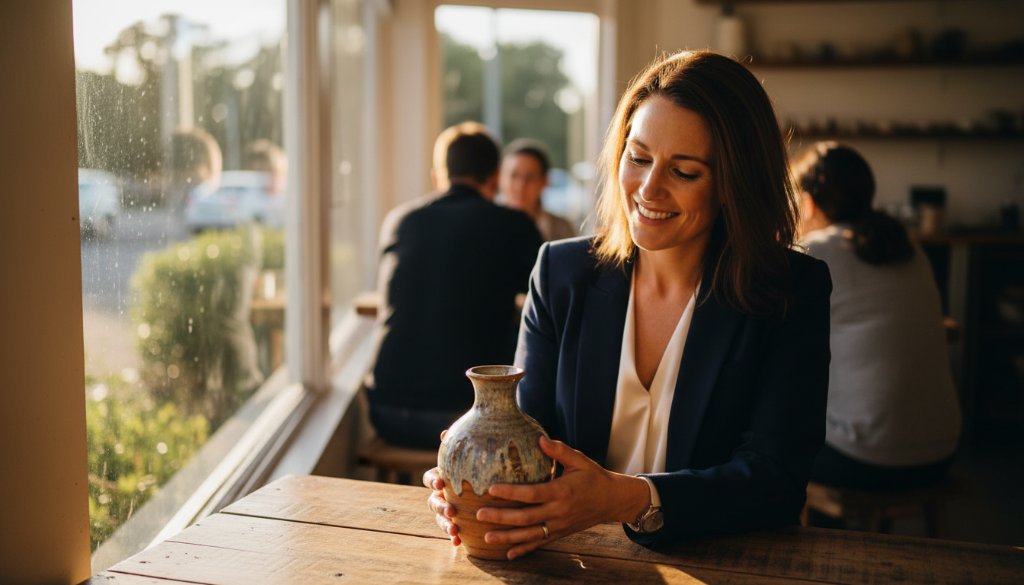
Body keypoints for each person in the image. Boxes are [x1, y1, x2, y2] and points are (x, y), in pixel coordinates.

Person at [425, 50, 832, 558]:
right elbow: (531, 444)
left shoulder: (791, 289)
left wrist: (629, 499)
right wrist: (480, 487)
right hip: (581, 559)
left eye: (684, 171)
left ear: (735, 184)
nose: (648, 189)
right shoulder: (561, 274)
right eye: (638, 158)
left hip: (725, 563)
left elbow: (777, 481)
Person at [792, 142, 961, 492]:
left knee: (767, 430)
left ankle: (821, 538)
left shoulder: (813, 253)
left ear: (807, 203)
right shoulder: (908, 246)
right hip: (941, 453)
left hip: (861, 460)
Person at [366, 122, 543, 449]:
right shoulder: (513, 225)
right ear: (494, 178)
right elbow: (545, 301)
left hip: (387, 409)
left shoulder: (400, 221)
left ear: (438, 175)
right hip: (468, 417)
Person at [499, 139, 576, 241]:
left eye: (529, 177)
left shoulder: (562, 228)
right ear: (500, 178)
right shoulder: (487, 224)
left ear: (545, 181)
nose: (520, 185)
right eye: (514, 176)